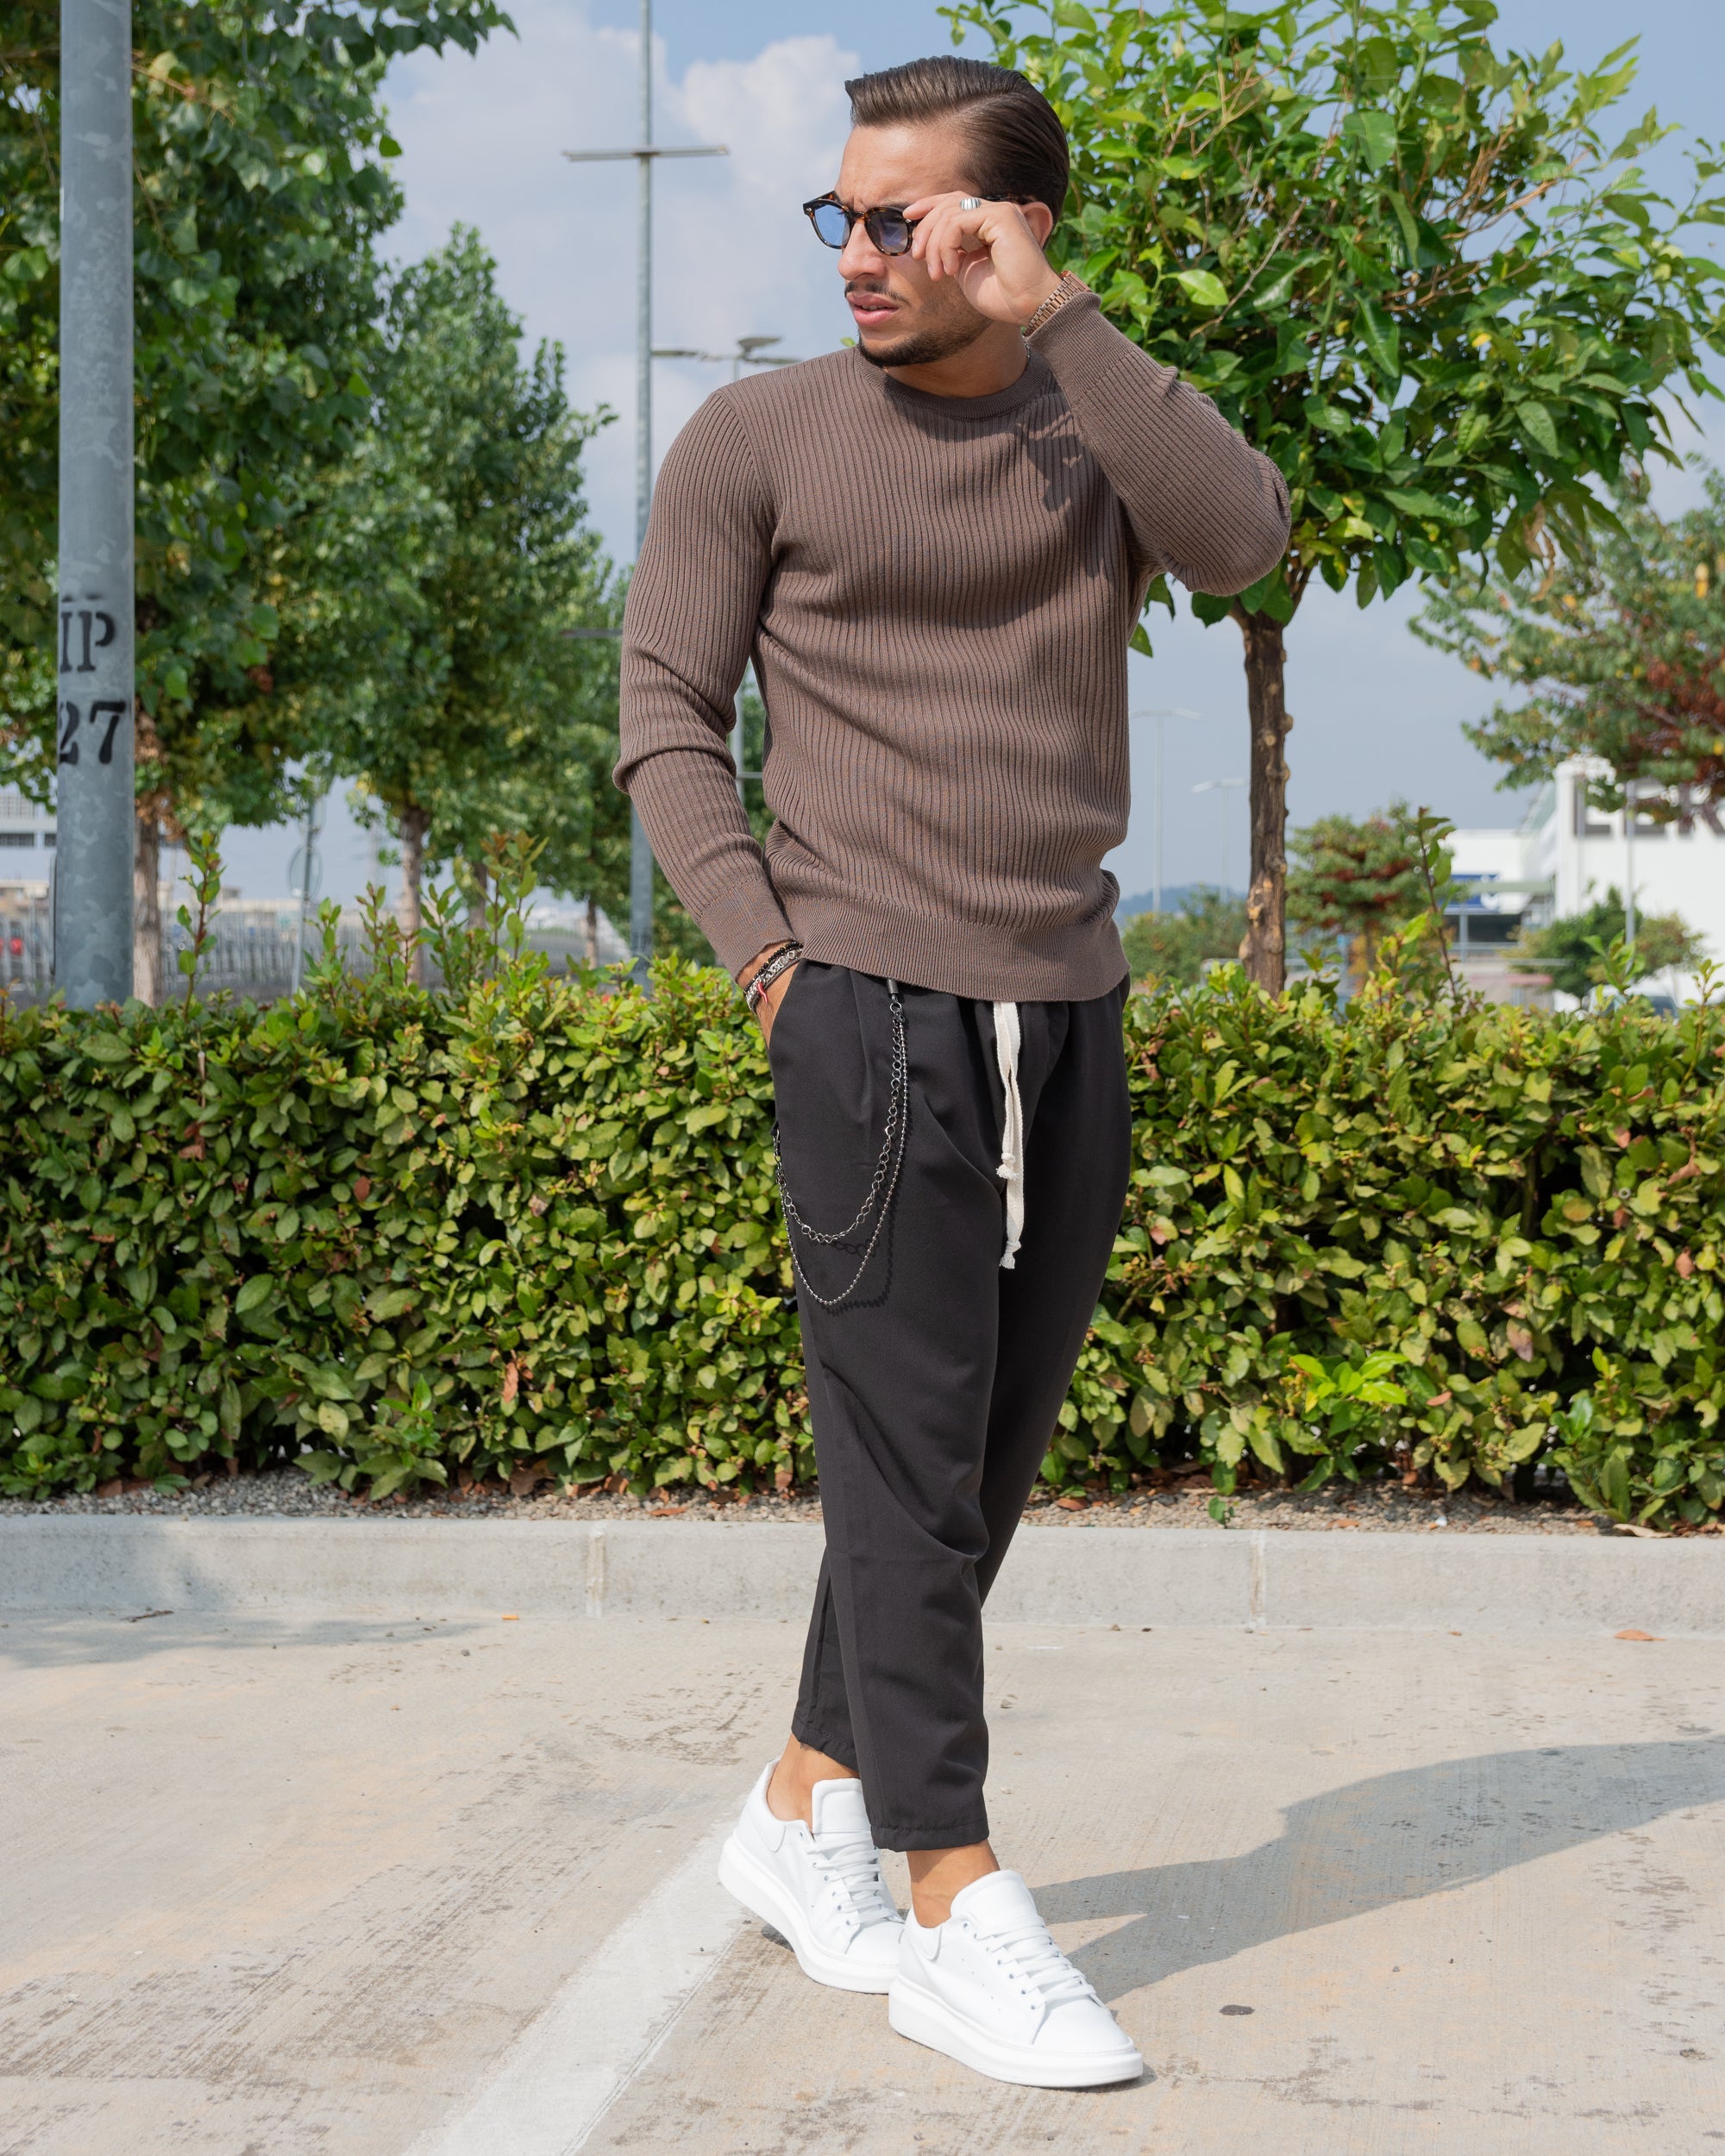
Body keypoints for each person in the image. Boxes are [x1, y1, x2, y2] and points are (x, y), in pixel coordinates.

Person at [617, 53, 1289, 2090]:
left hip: (1066, 997)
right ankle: (950, 1895)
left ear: (1008, 226)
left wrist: (1061, 324)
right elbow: (664, 715)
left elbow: (1242, 544)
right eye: (840, 212)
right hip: (862, 1011)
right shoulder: (756, 437)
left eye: (902, 216)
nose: (858, 249)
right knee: (908, 1456)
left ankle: (794, 1800)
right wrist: (773, 969)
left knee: (978, 1456)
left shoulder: (1093, 424)